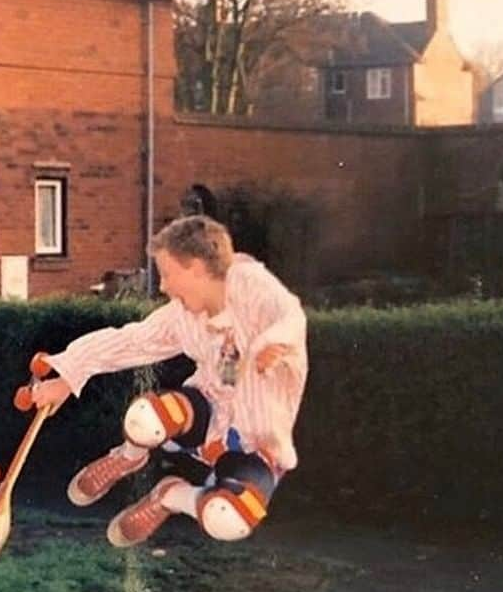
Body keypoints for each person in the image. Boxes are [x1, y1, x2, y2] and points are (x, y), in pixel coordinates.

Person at [30, 215, 308, 547]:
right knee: (145, 419)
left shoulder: (253, 286)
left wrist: (272, 344)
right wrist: (68, 375)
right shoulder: (181, 315)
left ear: (196, 268)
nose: (163, 286)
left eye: (167, 274)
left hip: (259, 441)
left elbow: (290, 315)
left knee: (228, 519)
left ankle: (169, 496)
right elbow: (130, 341)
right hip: (208, 408)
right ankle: (129, 456)